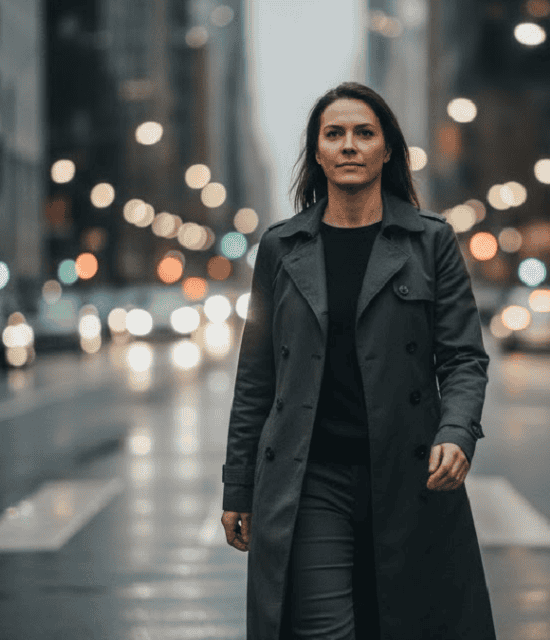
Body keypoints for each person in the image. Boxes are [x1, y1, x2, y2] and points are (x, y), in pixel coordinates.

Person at [221, 82, 496, 640]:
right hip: (310, 477)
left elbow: (464, 357)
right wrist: (238, 486)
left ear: (387, 150)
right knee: (325, 631)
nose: (349, 145)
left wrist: (458, 431)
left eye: (364, 133)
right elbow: (256, 379)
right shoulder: (281, 248)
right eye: (335, 134)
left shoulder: (431, 242)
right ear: (317, 152)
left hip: (409, 473)